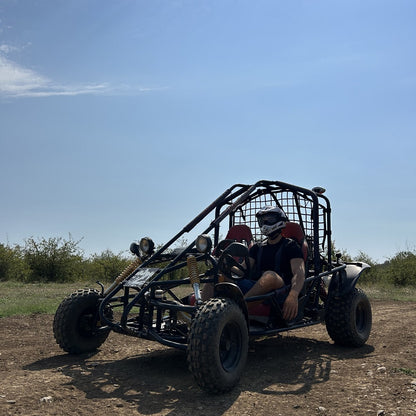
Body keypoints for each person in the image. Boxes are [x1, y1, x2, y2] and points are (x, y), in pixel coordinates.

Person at [235, 206, 305, 321]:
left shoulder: (290, 246)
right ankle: (201, 312)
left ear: (280, 220)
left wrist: (293, 295)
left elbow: (299, 273)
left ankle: (235, 311)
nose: (265, 223)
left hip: (281, 291)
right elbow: (243, 270)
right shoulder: (257, 247)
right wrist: (225, 266)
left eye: (269, 219)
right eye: (262, 221)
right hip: (257, 288)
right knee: (218, 275)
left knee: (270, 276)